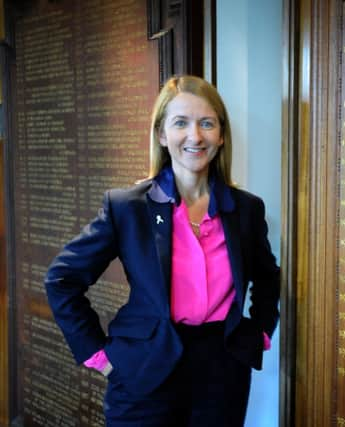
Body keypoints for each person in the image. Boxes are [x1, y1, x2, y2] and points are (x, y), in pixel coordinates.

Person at [44, 75, 280, 427]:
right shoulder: (127, 207)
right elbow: (62, 279)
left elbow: (266, 276)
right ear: (161, 135)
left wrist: (259, 332)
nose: (195, 136)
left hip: (222, 371)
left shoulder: (246, 209)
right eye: (180, 123)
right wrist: (98, 355)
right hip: (143, 370)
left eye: (207, 124)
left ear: (222, 134)